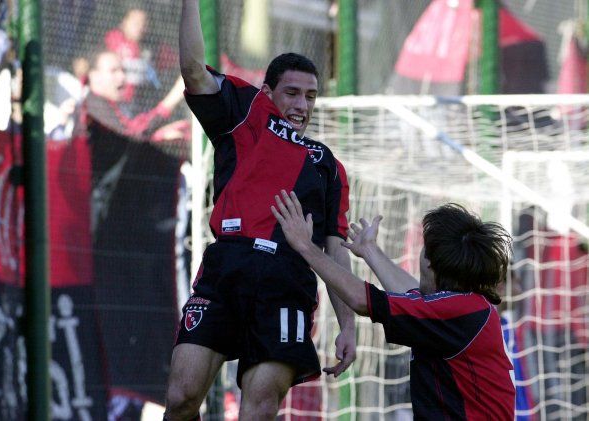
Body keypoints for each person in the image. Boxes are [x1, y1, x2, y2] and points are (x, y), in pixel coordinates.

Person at [164, 1, 356, 419]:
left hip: (286, 283)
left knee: (259, 408)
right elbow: (194, 68)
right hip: (225, 269)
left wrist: (349, 324)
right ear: (269, 93)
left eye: (311, 96)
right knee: (181, 399)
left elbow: (335, 249)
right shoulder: (247, 111)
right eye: (292, 92)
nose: (302, 105)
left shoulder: (328, 166)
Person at [271, 191, 516, 420]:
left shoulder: (457, 311)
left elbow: (362, 300)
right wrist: (370, 250)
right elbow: (410, 294)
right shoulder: (466, 307)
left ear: (431, 264)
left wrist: (305, 246)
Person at [86, 50, 186, 141]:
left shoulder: (103, 103)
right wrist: (174, 97)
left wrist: (158, 134)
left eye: (123, 70)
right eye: (113, 71)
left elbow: (130, 133)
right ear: (94, 76)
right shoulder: (91, 105)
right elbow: (130, 136)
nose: (122, 77)